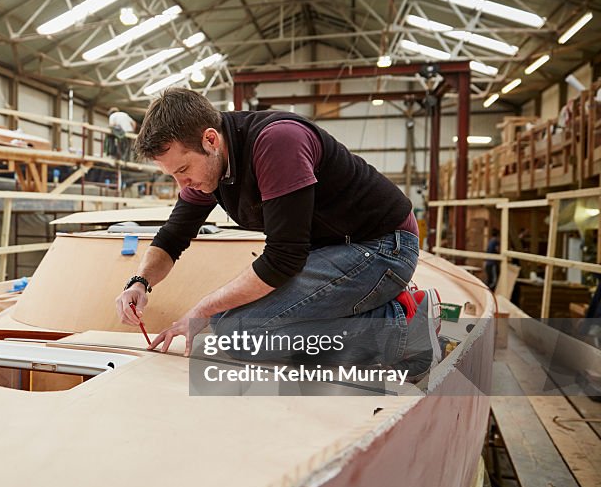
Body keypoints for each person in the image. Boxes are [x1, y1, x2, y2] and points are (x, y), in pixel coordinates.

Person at [114, 88, 441, 378]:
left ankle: (401, 328)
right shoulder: (209, 165)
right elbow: (173, 236)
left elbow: (283, 258)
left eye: (183, 170)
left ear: (210, 140)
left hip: (383, 246)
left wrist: (201, 308)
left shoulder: (277, 141)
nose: (181, 184)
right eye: (172, 175)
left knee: (239, 332)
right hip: (336, 250)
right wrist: (140, 282)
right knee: (228, 321)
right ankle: (379, 309)